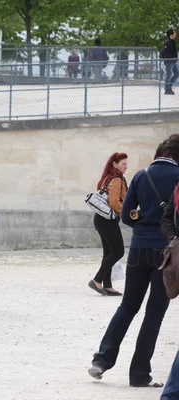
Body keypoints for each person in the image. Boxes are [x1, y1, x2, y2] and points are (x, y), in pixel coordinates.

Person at [88, 135, 179, 388]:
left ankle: (101, 360)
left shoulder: (140, 175)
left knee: (127, 306)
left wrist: (143, 224)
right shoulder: (177, 177)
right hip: (166, 251)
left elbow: (126, 215)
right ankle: (139, 374)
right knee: (154, 314)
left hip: (139, 248)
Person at [88, 152, 128, 296]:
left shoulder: (108, 177)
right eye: (123, 164)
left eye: (126, 164)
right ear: (115, 164)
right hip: (107, 220)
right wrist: (127, 213)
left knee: (109, 252)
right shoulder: (116, 179)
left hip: (101, 219)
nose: (126, 166)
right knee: (118, 251)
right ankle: (97, 280)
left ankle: (108, 285)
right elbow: (114, 202)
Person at [161, 28, 179, 95]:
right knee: (169, 74)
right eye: (174, 33)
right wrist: (173, 57)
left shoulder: (172, 41)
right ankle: (167, 89)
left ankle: (169, 87)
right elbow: (166, 53)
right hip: (169, 61)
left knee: (177, 73)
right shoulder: (167, 42)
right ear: (171, 34)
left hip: (173, 61)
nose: (175, 34)